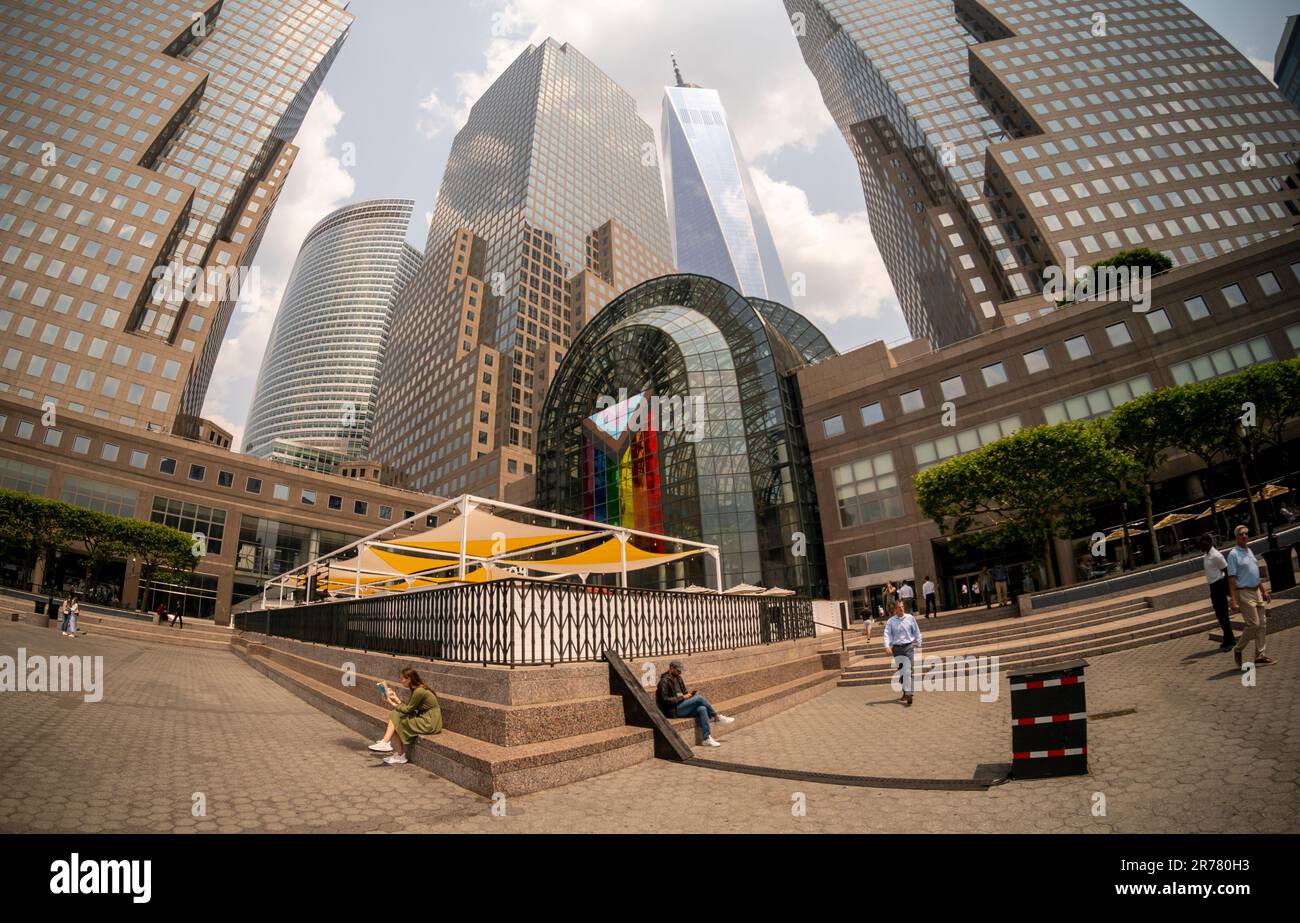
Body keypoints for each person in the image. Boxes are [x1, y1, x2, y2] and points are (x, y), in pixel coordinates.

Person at [368, 668, 444, 764]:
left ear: (409, 679)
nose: (400, 681)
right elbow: (409, 708)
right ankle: (394, 750)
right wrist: (396, 699)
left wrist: (392, 703)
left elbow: (408, 710)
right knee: (396, 718)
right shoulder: (417, 689)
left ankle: (387, 743)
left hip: (429, 722)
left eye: (402, 678)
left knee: (395, 715)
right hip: (426, 719)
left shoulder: (419, 691)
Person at [1226, 525, 1274, 668]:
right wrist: (1233, 601)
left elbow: (1255, 573)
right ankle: (1238, 649)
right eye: (1241, 534)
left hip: (1256, 591)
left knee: (1262, 624)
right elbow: (1231, 579)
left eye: (1247, 533)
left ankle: (1260, 655)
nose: (1245, 536)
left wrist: (1263, 591)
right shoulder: (1233, 554)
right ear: (1236, 537)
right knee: (1253, 624)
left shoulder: (1249, 550)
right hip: (1244, 592)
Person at [656, 660, 734, 747]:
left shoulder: (679, 679)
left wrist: (688, 696)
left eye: (680, 670)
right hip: (673, 710)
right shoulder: (664, 681)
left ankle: (706, 738)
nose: (679, 672)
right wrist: (683, 697)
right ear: (671, 668)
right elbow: (664, 700)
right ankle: (717, 717)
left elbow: (684, 692)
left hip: (682, 705)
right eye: (678, 670)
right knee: (699, 698)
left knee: (702, 709)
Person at [1198, 533, 1236, 652]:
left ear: (1208, 543)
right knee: (1219, 615)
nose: (1200, 547)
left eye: (1201, 544)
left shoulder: (1216, 556)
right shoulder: (1207, 555)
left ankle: (1230, 640)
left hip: (1219, 585)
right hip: (1213, 587)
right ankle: (1227, 637)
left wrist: (1227, 589)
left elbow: (1227, 571)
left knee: (1223, 615)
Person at [883, 600, 921, 706]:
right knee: (902, 672)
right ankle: (905, 691)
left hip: (908, 647)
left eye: (902, 606)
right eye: (899, 607)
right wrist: (887, 645)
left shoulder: (910, 618)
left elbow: (916, 631)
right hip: (897, 649)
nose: (902, 608)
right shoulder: (891, 621)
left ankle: (909, 693)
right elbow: (887, 634)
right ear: (895, 609)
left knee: (909, 670)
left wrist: (919, 642)